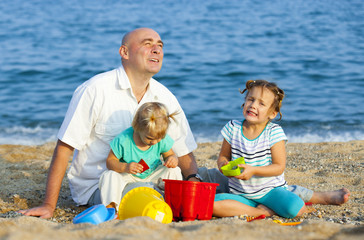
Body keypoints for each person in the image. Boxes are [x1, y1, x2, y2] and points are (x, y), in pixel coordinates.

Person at [19, 27, 349, 219]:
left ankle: (286, 192)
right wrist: (50, 204)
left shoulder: (164, 95)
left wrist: (190, 177)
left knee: (209, 178)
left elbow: (184, 149)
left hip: (157, 175)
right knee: (187, 197)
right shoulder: (95, 90)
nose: (157, 48)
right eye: (147, 43)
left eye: (160, 45)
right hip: (104, 185)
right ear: (124, 51)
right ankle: (269, 198)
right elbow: (64, 148)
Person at [212, 80, 311, 218]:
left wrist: (254, 170)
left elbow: (279, 167)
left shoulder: (273, 132)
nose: (253, 105)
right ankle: (260, 210)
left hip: (270, 192)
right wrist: (224, 165)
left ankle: (253, 208)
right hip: (240, 193)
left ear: (272, 113)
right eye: (250, 100)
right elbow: (223, 156)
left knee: (296, 209)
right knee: (212, 204)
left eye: (261, 103)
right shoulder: (232, 127)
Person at [99, 102, 182, 210]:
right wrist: (125, 167)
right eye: (150, 138)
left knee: (174, 170)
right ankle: (111, 208)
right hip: (130, 177)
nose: (155, 142)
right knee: (109, 175)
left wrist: (172, 159)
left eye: (159, 138)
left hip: (153, 175)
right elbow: (110, 161)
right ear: (138, 128)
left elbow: (169, 154)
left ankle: (176, 204)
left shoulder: (160, 138)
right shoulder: (124, 139)